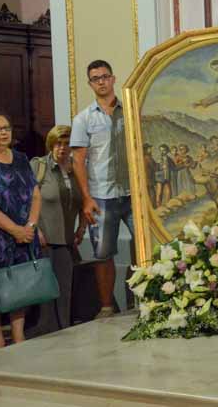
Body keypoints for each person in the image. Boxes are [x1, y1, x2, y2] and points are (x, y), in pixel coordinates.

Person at [70, 60, 135, 319]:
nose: (101, 81)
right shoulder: (83, 119)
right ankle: (107, 307)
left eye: (105, 76)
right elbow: (78, 161)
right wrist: (86, 198)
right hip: (100, 195)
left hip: (132, 193)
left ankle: (147, 301)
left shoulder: (129, 111)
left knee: (143, 249)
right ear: (90, 83)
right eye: (95, 78)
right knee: (103, 253)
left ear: (113, 78)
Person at [0, 111, 45, 348]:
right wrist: (14, 229)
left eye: (6, 127)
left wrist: (30, 226)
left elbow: (35, 194)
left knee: (21, 282)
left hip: (24, 233)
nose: (4, 132)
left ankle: (18, 334)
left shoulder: (20, 158)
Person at [29, 125, 84, 334]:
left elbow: (82, 200)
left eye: (66, 144)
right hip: (45, 238)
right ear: (50, 145)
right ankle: (48, 331)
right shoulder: (39, 166)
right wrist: (35, 229)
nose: (62, 148)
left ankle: (63, 330)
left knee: (64, 289)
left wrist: (82, 227)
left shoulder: (75, 168)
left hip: (67, 240)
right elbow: (27, 200)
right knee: (46, 290)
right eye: (57, 143)